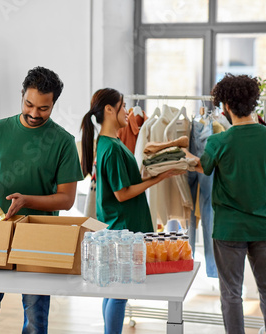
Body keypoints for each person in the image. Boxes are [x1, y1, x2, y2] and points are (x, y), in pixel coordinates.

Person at [0, 66, 84, 334]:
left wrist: (27, 200)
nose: (34, 114)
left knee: (36, 320)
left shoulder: (63, 142)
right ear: (22, 97)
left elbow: (66, 200)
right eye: (29, 104)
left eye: (43, 108)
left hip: (39, 235)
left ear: (53, 104)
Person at [188, 74, 266, 334]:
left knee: (231, 294)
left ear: (226, 107)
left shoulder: (219, 141)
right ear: (253, 103)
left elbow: (204, 168)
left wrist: (188, 157)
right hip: (265, 226)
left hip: (229, 229)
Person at [80, 88, 179, 334]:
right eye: (123, 106)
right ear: (109, 110)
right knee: (119, 293)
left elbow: (123, 184)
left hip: (118, 224)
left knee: (114, 291)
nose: (127, 111)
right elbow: (122, 193)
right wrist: (159, 178)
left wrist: (150, 173)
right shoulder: (112, 147)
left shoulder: (108, 143)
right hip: (121, 227)